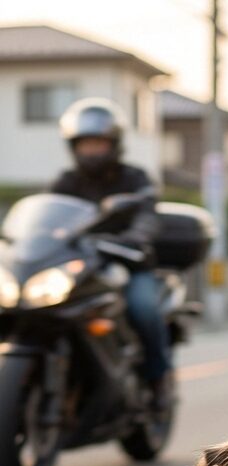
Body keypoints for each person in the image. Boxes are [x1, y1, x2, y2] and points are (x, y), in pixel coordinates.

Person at [51, 98, 170, 408]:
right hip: (83, 265)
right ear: (73, 146)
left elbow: (147, 214)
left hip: (129, 264)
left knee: (142, 307)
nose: (91, 150)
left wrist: (135, 237)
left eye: (98, 143)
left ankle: (158, 380)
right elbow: (49, 219)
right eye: (85, 144)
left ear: (114, 144)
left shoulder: (134, 178)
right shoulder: (66, 183)